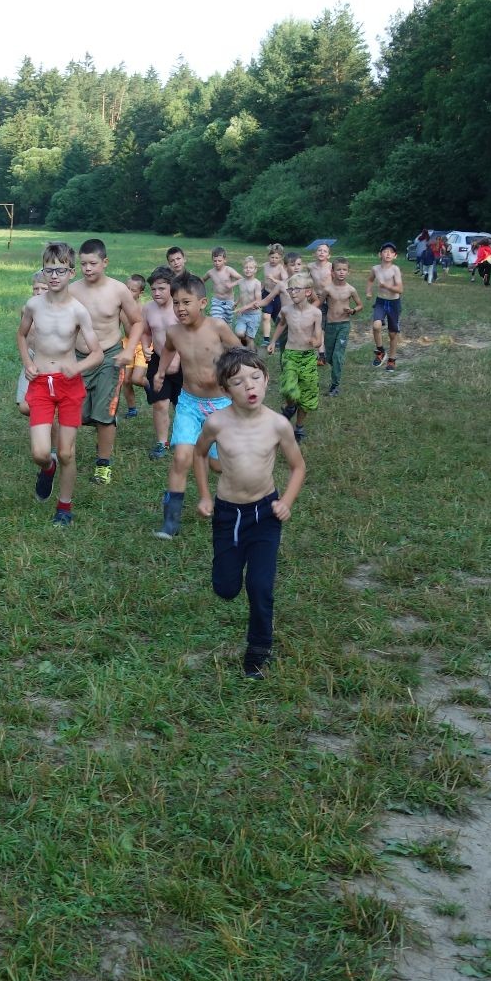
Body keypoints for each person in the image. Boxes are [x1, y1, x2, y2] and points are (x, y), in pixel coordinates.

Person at [196, 346, 307, 679]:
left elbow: (298, 467)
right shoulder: (217, 423)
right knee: (226, 588)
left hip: (265, 515)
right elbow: (199, 455)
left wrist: (286, 502)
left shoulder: (278, 425)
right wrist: (205, 496)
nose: (249, 386)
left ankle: (258, 650)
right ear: (225, 390)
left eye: (255, 377)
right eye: (238, 382)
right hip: (228, 516)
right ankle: (229, 574)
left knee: (260, 586)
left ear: (267, 379)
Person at [19, 242, 103, 525]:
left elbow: (97, 353)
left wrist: (76, 367)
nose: (54, 276)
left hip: (69, 386)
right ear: (43, 271)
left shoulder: (78, 311)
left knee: (67, 452)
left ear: (71, 272)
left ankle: (64, 506)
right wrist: (27, 363)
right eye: (49, 270)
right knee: (40, 452)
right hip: (41, 383)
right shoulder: (33, 305)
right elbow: (21, 335)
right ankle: (48, 468)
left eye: (61, 270)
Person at [152, 272, 241, 539]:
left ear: (203, 303)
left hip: (221, 405)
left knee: (218, 465)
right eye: (176, 303)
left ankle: (235, 505)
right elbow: (168, 349)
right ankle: (170, 522)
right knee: (182, 457)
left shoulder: (217, 327)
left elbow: (240, 352)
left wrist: (233, 377)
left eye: (186, 302)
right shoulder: (173, 332)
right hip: (189, 403)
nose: (180, 308)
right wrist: (160, 372)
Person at [69, 239, 145, 486]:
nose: (87, 268)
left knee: (104, 414)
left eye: (93, 263)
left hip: (109, 358)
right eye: (83, 264)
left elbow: (137, 322)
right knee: (77, 414)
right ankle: (64, 455)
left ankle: (103, 464)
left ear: (105, 262)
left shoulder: (118, 290)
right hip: (79, 359)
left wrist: (129, 350)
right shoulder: (72, 290)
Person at [277, 273, 321, 443]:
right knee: (289, 388)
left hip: (308, 357)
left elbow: (318, 337)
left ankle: (299, 427)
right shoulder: (286, 310)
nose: (292, 292)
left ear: (308, 292)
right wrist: (273, 341)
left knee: (307, 394)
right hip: (290, 354)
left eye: (296, 289)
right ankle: (290, 407)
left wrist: (316, 342)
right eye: (290, 289)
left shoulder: (316, 313)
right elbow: (281, 324)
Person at [142, 266, 180, 459]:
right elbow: (146, 332)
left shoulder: (180, 307)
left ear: (172, 287)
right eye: (153, 289)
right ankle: (162, 443)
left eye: (161, 288)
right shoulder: (148, 308)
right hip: (158, 361)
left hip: (183, 361)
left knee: (182, 405)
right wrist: (145, 347)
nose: (156, 293)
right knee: (160, 404)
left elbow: (191, 334)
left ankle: (184, 439)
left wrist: (178, 359)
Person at [321, 256, 362, 397]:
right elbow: (319, 303)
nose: (341, 272)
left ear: (348, 272)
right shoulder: (327, 289)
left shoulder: (351, 289)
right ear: (332, 272)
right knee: (329, 357)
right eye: (338, 269)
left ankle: (335, 385)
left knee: (337, 355)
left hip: (344, 325)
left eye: (344, 270)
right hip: (330, 325)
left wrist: (353, 310)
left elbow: (360, 305)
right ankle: (336, 367)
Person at [16, 270, 49, 417]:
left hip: (50, 361)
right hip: (30, 360)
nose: (39, 292)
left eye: (44, 288)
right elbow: (22, 335)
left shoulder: (59, 312)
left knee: (46, 403)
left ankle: (48, 423)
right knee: (24, 406)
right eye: (36, 288)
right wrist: (27, 360)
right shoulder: (27, 310)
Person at [368, 241, 404, 370]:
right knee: (376, 326)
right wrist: (368, 291)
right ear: (380, 254)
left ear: (395, 256)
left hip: (393, 303)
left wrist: (386, 286)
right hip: (380, 302)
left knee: (392, 334)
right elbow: (370, 279)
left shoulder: (395, 270)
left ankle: (392, 360)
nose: (388, 254)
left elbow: (400, 289)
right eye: (385, 251)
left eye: (391, 252)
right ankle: (381, 351)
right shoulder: (375, 269)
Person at [121, 273, 148, 417]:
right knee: (126, 380)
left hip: (141, 345)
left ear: (140, 293)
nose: (128, 292)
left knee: (136, 379)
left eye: (133, 290)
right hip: (127, 344)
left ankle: (150, 386)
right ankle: (132, 409)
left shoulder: (143, 309)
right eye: (127, 288)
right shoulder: (120, 307)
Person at [202, 246, 243, 328]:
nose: (217, 263)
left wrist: (232, 284)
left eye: (219, 261)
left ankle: (227, 335)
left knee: (228, 324)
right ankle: (217, 335)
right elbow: (202, 280)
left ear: (225, 260)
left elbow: (242, 279)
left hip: (229, 302)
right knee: (216, 321)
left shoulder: (229, 270)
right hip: (217, 301)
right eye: (215, 261)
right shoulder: (211, 272)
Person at [308, 243, 334, 365]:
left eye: (324, 251)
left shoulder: (331, 267)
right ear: (315, 253)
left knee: (330, 327)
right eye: (319, 250)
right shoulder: (310, 267)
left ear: (329, 255)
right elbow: (306, 282)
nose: (321, 252)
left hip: (330, 299)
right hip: (316, 299)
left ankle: (330, 350)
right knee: (319, 327)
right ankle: (321, 355)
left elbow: (337, 282)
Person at [259, 244, 288, 348]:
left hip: (278, 296)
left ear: (280, 258)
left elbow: (285, 281)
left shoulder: (281, 268)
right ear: (268, 256)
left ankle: (280, 339)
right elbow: (265, 280)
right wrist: (260, 289)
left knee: (278, 319)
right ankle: (266, 340)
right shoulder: (266, 266)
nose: (274, 260)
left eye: (276, 258)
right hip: (267, 294)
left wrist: (274, 279)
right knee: (266, 317)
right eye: (272, 257)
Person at [233, 255, 265, 348]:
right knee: (239, 333)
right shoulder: (241, 281)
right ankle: (243, 343)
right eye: (246, 267)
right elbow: (242, 294)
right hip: (243, 314)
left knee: (249, 339)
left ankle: (252, 353)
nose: (248, 269)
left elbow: (258, 300)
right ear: (243, 269)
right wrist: (236, 303)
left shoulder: (257, 283)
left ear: (255, 270)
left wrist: (244, 307)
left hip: (253, 315)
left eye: (250, 268)